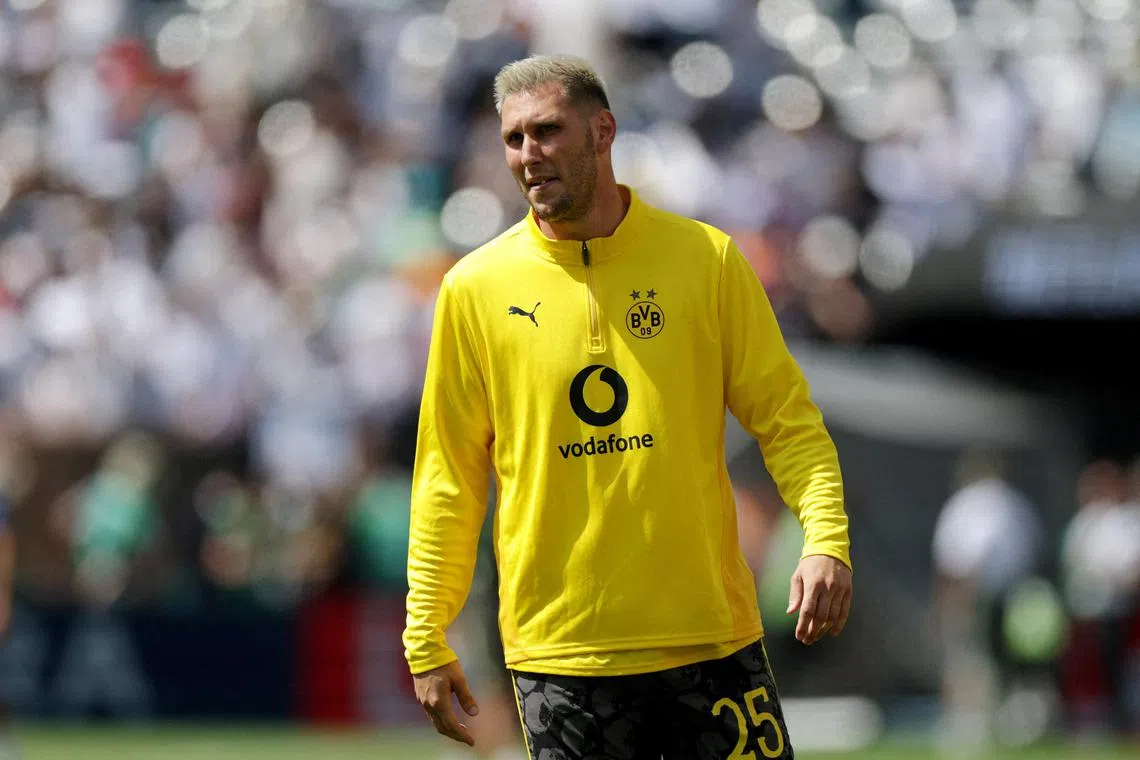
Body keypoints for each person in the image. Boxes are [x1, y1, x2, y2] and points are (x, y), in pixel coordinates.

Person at [403, 54, 853, 759]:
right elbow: (448, 477)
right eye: (514, 138)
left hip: (709, 638)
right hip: (562, 658)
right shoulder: (474, 290)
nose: (529, 154)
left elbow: (788, 422)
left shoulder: (706, 261)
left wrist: (825, 536)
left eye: (548, 131)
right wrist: (426, 632)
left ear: (603, 130)